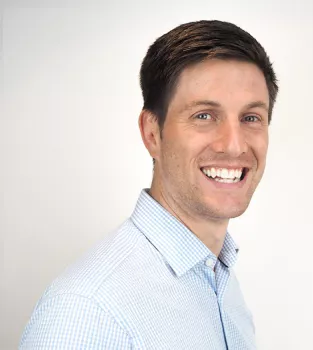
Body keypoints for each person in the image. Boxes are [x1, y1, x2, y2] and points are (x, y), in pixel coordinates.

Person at [19, 20, 278, 349]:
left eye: (251, 117)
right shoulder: (89, 312)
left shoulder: (220, 281)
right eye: (204, 115)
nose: (235, 145)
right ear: (152, 133)